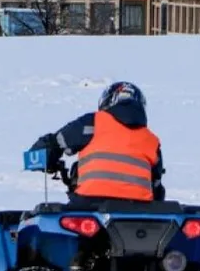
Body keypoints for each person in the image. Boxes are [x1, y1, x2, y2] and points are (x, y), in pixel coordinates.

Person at [30, 81, 165, 202]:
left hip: (89, 203)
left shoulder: (92, 123)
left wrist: (40, 159)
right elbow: (157, 188)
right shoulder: (151, 140)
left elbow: (55, 143)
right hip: (138, 211)